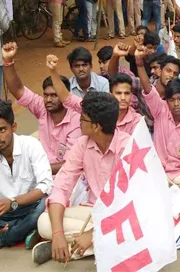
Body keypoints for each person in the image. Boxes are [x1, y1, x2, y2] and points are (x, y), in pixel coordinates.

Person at [33, 92, 128, 265]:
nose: (79, 121)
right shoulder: (82, 144)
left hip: (121, 215)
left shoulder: (127, 147)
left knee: (133, 230)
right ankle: (87, 246)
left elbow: (130, 202)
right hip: (92, 211)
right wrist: (57, 234)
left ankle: (72, 250)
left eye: (83, 118)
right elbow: (62, 187)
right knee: (45, 222)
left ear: (96, 126)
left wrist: (93, 233)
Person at [2, 43, 81, 173]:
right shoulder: (42, 108)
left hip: (64, 179)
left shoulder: (77, 121)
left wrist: (36, 169)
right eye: (46, 95)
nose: (49, 99)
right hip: (40, 172)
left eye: (54, 95)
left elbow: (69, 165)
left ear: (64, 95)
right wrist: (8, 61)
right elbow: (18, 89)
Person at [135, 49, 180, 189]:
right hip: (155, 172)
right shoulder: (160, 110)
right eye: (172, 100)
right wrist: (139, 64)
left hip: (178, 175)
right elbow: (148, 88)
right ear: (167, 101)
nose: (176, 104)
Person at [48, 53, 142, 136]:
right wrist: (53, 71)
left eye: (126, 93)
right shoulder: (97, 110)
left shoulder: (137, 121)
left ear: (131, 95)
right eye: (118, 93)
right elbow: (66, 98)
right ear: (110, 94)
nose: (123, 98)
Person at [0, 100, 52, 248]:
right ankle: (22, 231)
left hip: (31, 206)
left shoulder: (30, 145)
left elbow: (45, 186)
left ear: (13, 127)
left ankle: (7, 237)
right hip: (5, 212)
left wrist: (13, 202)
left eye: (2, 130)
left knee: (44, 208)